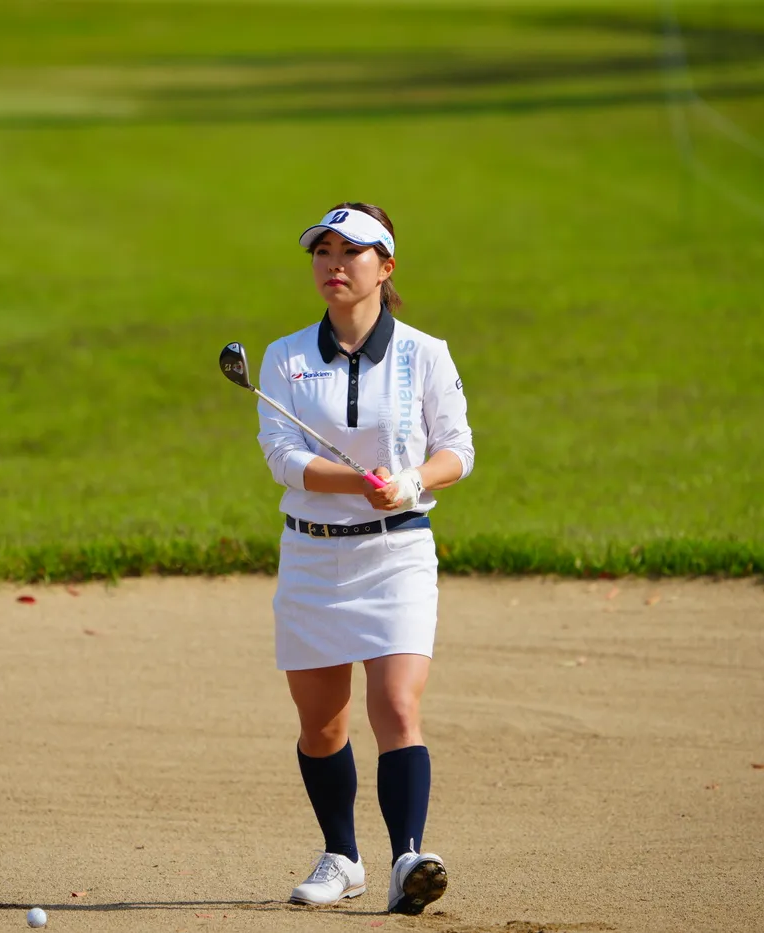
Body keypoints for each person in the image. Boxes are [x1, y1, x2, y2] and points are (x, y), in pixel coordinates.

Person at [255, 202, 474, 915]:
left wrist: (411, 482)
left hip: (397, 551)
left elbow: (458, 450)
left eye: (351, 252)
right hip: (313, 556)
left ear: (386, 267)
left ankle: (408, 858)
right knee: (322, 725)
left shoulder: (424, 353)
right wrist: (357, 483)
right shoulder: (285, 356)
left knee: (397, 705)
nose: (334, 265)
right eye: (323, 252)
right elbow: (283, 458)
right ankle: (342, 857)